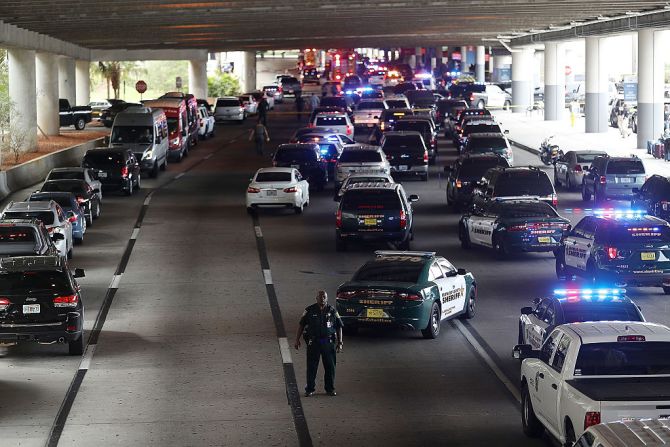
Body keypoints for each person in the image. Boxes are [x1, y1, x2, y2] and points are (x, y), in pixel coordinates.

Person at [294, 290, 343, 397]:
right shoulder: (309, 310)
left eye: (324, 297)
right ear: (316, 298)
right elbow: (301, 325)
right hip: (314, 343)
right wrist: (297, 340)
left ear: (327, 298)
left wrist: (340, 342)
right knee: (312, 367)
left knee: (330, 367)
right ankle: (310, 389)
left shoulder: (332, 311)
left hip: (328, 343)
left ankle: (330, 389)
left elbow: (339, 326)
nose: (322, 299)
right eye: (320, 297)